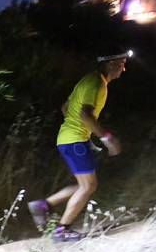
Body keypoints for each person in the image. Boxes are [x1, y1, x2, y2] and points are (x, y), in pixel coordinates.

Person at [27, 48, 130, 241]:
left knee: (85, 185)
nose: (123, 69)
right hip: (73, 140)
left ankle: (42, 206)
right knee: (88, 186)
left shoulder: (88, 80)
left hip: (69, 139)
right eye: (122, 64)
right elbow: (85, 115)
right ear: (110, 63)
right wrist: (107, 139)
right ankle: (61, 230)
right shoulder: (97, 83)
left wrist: (84, 134)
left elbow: (65, 107)